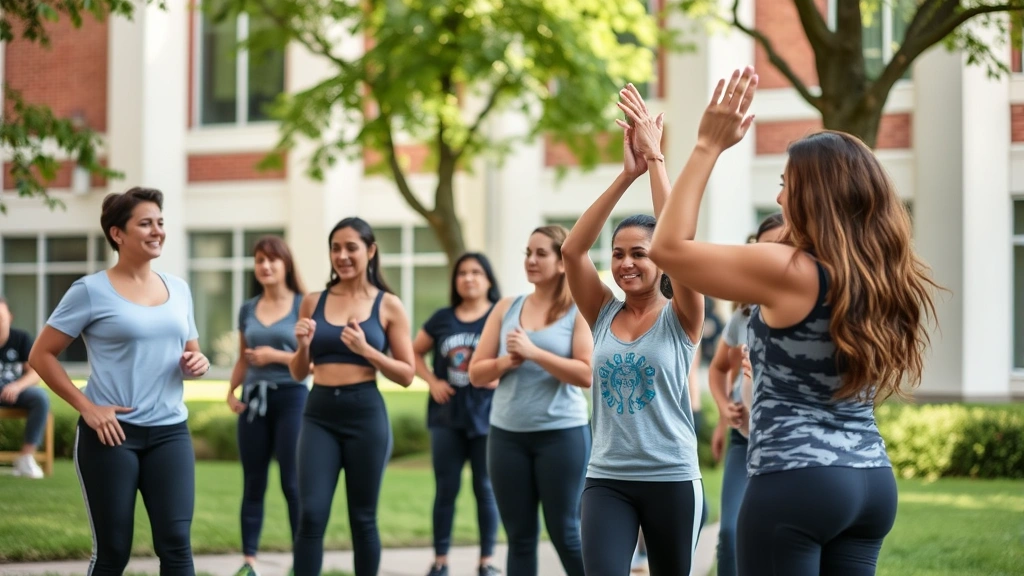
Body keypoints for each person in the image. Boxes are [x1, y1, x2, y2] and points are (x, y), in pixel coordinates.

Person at [645, 67, 938, 575]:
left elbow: (668, 248)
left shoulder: (788, 270)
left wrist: (706, 147)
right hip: (870, 480)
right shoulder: (882, 274)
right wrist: (654, 160)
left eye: (787, 185)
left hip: (797, 479)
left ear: (813, 195)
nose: (779, 198)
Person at [29, 187, 211, 576]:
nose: (157, 231)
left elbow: (190, 353)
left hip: (170, 433)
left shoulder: (178, 289)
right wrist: (87, 407)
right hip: (111, 436)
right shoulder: (90, 291)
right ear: (118, 234)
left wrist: (197, 362)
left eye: (160, 222)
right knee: (113, 551)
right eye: (145, 223)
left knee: (177, 546)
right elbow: (41, 355)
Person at [562, 83, 705, 576]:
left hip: (672, 477)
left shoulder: (682, 313)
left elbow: (678, 242)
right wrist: (627, 176)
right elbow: (572, 252)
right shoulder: (602, 311)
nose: (624, 263)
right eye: (618, 253)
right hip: (607, 480)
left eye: (638, 253)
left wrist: (657, 160)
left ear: (659, 260)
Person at [290, 217, 416, 576]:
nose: (342, 256)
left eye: (351, 248)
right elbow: (299, 372)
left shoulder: (389, 305)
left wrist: (367, 351)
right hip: (319, 414)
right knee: (311, 514)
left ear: (370, 251)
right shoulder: (312, 301)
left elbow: (407, 374)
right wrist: (301, 346)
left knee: (363, 517)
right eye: (335, 248)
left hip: (365, 415)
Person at [468, 225, 593, 576]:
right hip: (507, 436)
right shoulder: (506, 308)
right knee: (519, 538)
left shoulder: (578, 310)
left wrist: (534, 353)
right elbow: (477, 374)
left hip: (562, 435)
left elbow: (586, 374)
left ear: (563, 261)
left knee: (566, 532)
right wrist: (508, 361)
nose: (531, 260)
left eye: (541, 253)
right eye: (527, 253)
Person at [414, 253, 502, 576]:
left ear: (488, 279)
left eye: (477, 272)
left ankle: (487, 562)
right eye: (462, 273)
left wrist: (500, 375)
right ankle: (440, 561)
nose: (469, 278)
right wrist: (432, 380)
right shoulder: (442, 318)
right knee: (446, 489)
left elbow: (515, 355)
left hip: (487, 415)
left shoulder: (499, 315)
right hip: (446, 417)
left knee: (485, 488)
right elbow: (412, 352)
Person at [707, 213, 784, 576]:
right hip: (744, 441)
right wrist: (725, 411)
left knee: (779, 537)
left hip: (789, 445)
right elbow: (720, 368)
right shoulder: (744, 315)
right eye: (764, 249)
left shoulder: (809, 311)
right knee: (731, 531)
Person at [226, 236, 308, 576]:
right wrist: (231, 391)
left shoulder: (304, 305)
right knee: (253, 481)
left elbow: (313, 362)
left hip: (293, 398)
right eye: (260, 260)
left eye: (273, 259)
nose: (266, 266)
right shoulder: (248, 308)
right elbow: (243, 359)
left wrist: (274, 355)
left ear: (286, 264)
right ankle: (249, 562)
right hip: (254, 401)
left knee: (292, 482)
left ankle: (301, 560)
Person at [0, 296, 49, 479]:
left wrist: (18, 386)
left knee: (40, 398)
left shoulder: (21, 338)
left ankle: (26, 457)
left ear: (10, 317)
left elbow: (36, 372)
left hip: (14, 392)